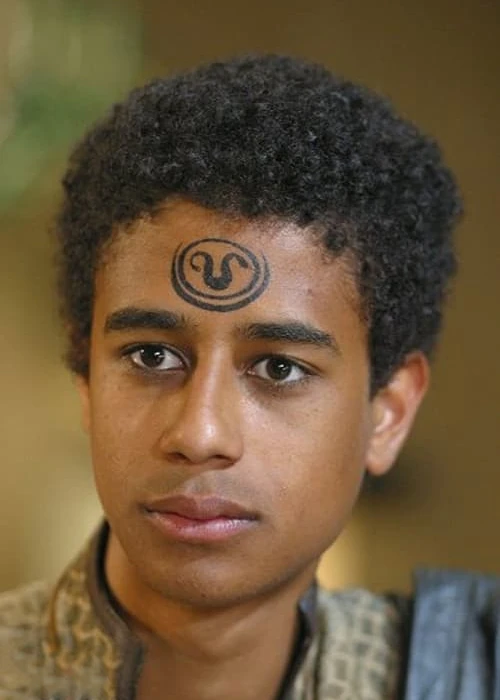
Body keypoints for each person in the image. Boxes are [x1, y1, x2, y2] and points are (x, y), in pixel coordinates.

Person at [1, 54, 498, 700]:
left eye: (279, 367)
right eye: (151, 356)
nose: (199, 433)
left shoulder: (466, 675)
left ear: (388, 413)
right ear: (86, 381)